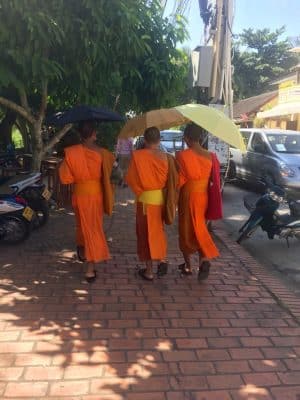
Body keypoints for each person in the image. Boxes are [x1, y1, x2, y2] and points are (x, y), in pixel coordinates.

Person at [59, 121, 115, 283]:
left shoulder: (72, 152)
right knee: (93, 229)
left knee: (82, 226)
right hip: (95, 196)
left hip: (79, 195)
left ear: (80, 135)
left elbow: (65, 178)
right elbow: (115, 173)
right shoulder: (104, 153)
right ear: (93, 134)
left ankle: (83, 252)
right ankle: (90, 270)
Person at [126, 126, 178, 281]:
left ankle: (149, 271)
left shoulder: (136, 156)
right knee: (157, 232)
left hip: (145, 201)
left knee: (144, 235)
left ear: (145, 139)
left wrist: (141, 191)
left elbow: (130, 179)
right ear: (159, 140)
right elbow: (175, 180)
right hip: (160, 201)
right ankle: (161, 258)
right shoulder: (167, 157)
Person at [176, 124, 222, 281]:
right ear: (200, 137)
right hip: (203, 197)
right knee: (201, 228)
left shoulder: (182, 156)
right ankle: (204, 259)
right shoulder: (211, 156)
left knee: (186, 230)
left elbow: (179, 181)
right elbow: (214, 180)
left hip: (188, 196)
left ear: (187, 138)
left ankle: (188, 266)